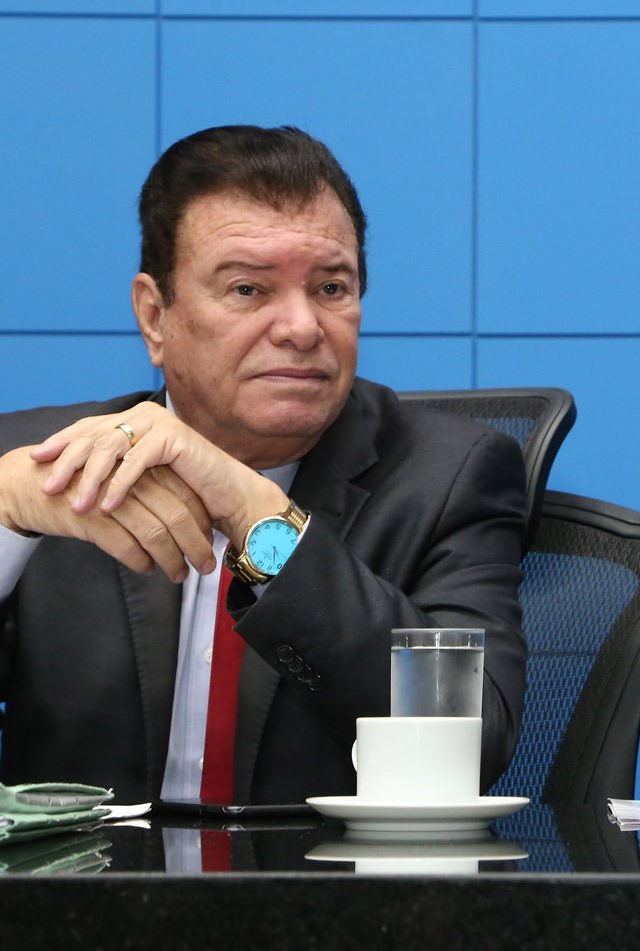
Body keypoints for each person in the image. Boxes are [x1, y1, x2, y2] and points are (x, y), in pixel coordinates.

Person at [0, 126, 527, 805]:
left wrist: (260, 520)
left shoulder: (447, 478)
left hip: (321, 872)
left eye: (332, 288)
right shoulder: (40, 469)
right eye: (249, 289)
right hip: (87, 873)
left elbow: (469, 748)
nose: (302, 328)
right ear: (156, 317)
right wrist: (4, 523)